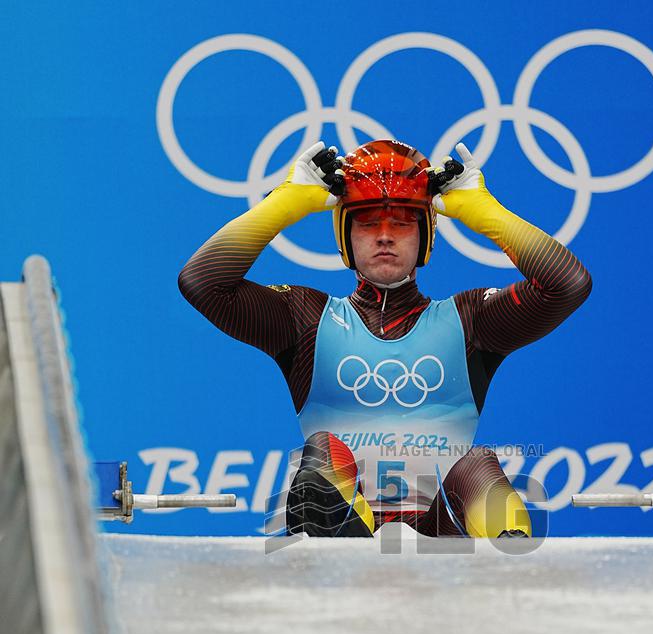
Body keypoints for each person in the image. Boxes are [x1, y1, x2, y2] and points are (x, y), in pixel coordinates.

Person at [179, 139, 591, 537]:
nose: (385, 235)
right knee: (324, 451)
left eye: (403, 222)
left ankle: (510, 558)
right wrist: (284, 203)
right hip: (339, 539)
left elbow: (568, 285)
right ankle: (350, 533)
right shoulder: (304, 317)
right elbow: (202, 283)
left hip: (444, 541)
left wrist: (485, 212)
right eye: (367, 221)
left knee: (476, 464)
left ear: (426, 235)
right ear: (345, 236)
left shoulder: (471, 320)